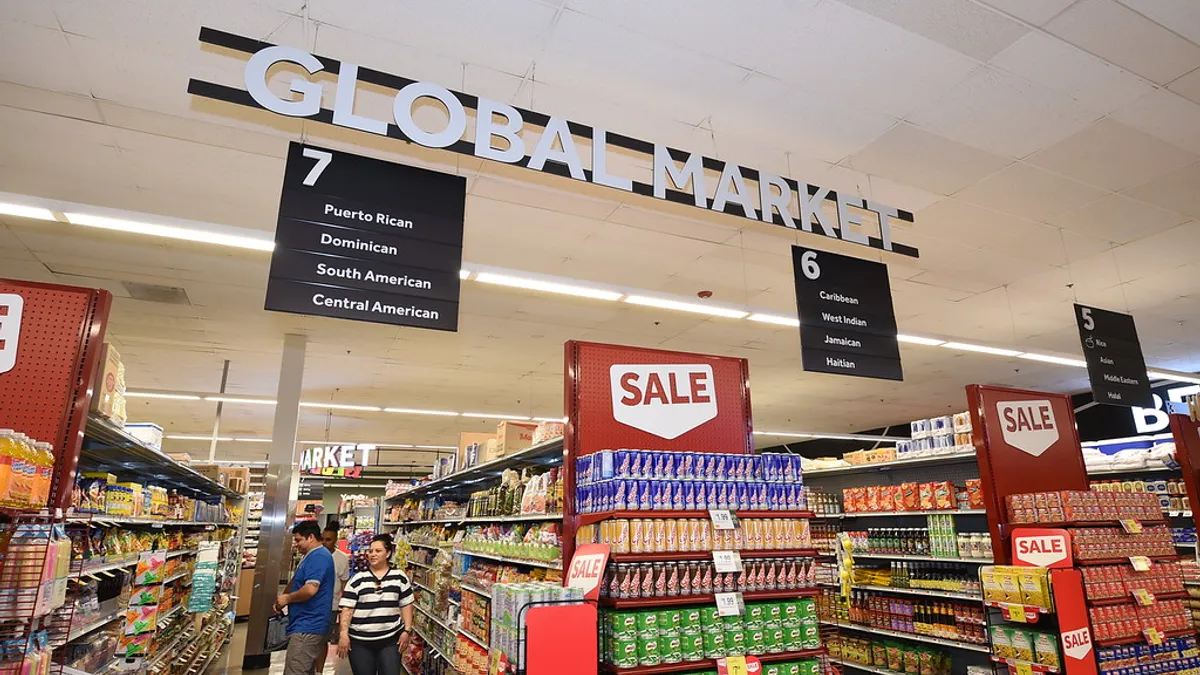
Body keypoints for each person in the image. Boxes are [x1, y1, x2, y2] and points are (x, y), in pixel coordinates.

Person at [336, 534, 415, 674]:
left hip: (390, 639)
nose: (372, 554)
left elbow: (406, 604)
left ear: (388, 553)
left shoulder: (399, 577)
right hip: (359, 641)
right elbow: (347, 608)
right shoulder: (358, 579)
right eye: (370, 551)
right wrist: (343, 634)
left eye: (378, 551)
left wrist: (407, 630)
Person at [276, 520, 336, 675]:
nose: (296, 544)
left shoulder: (319, 557)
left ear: (310, 537)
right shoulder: (310, 556)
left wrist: (287, 599)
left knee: (295, 670)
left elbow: (310, 589)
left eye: (298, 540)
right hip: (304, 623)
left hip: (308, 625)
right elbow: (297, 580)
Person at [316, 524, 351, 674]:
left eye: (328, 539)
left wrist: (345, 608)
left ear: (336, 540)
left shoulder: (342, 559)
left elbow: (345, 585)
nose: (324, 542)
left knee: (322, 640)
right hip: (311, 605)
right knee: (310, 640)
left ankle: (319, 670)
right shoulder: (314, 554)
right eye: (322, 539)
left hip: (331, 606)